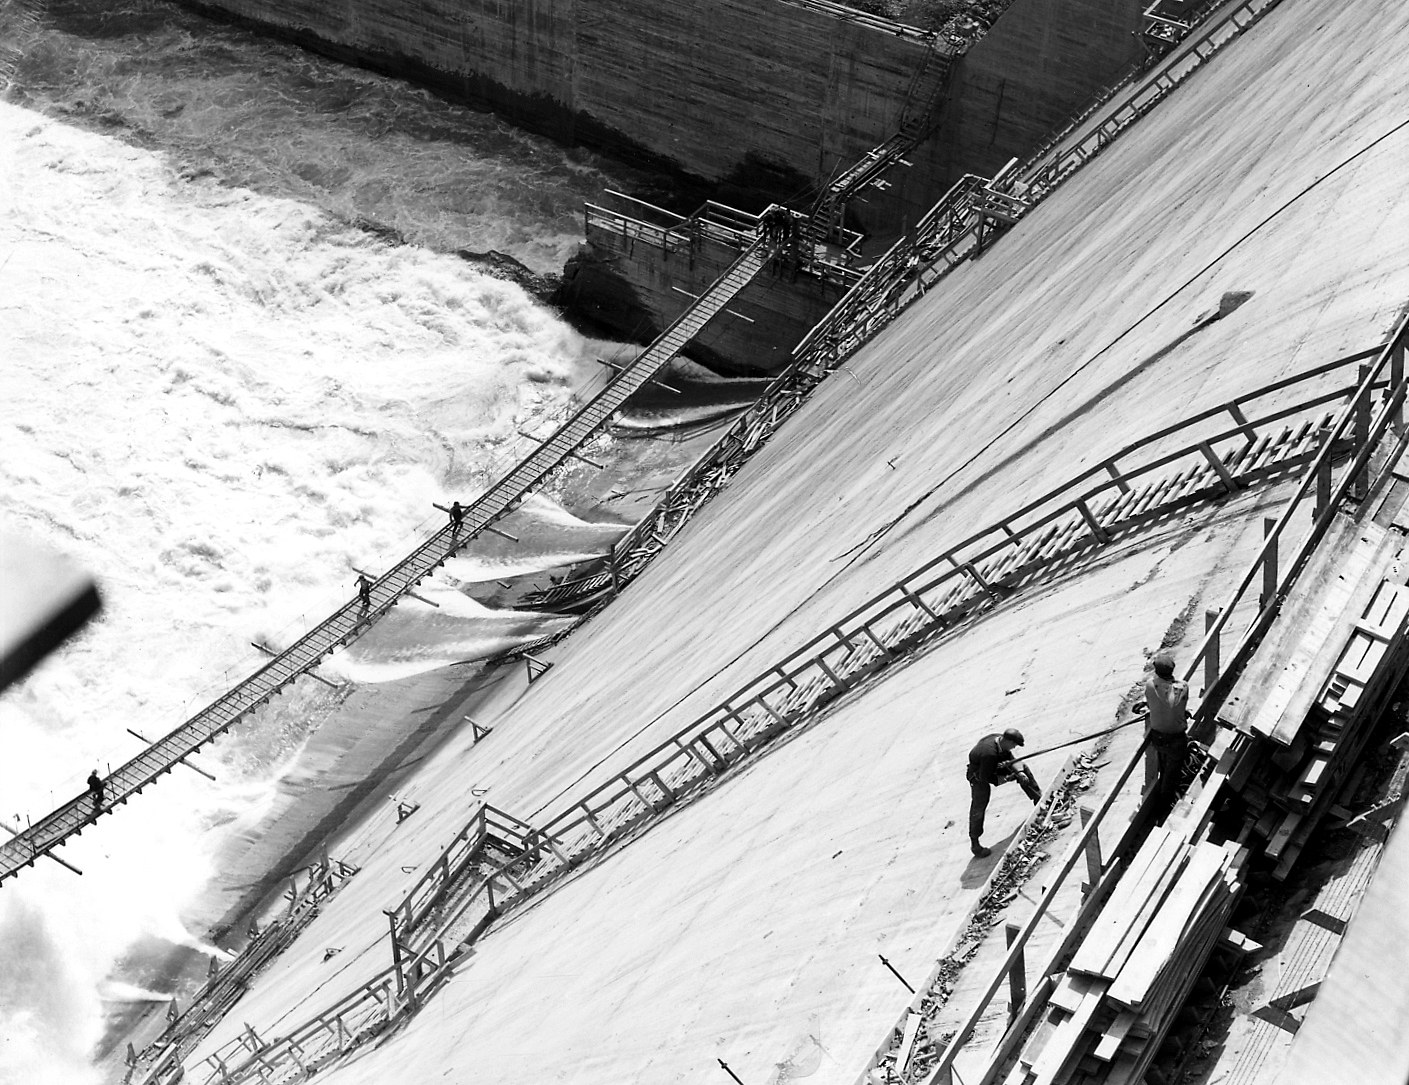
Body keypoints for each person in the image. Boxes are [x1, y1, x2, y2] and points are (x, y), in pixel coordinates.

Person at [966, 727, 1041, 857]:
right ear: (1007, 741)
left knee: (1023, 768)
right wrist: (1006, 778)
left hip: (993, 764)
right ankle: (975, 843)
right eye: (1014, 745)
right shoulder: (989, 753)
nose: (1014, 747)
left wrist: (1019, 772)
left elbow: (1011, 759)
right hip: (979, 776)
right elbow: (987, 778)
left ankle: (1039, 802)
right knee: (979, 805)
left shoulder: (999, 740)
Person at [1144, 649, 1190, 816]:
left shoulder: (1150, 686)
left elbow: (1153, 704)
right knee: (1172, 774)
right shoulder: (1183, 687)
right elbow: (1179, 707)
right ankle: (1165, 807)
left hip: (1158, 738)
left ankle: (1161, 806)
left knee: (1164, 768)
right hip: (1177, 739)